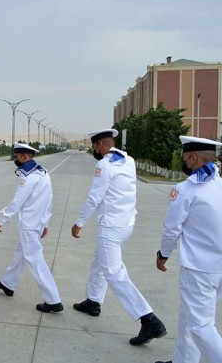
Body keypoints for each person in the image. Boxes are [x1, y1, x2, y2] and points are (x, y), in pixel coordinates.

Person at [71, 128, 166, 346]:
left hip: (111, 226)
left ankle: (148, 319)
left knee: (113, 272)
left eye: (95, 147)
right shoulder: (128, 160)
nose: (95, 150)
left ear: (100, 146)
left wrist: (79, 223)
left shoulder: (103, 165)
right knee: (100, 261)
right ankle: (93, 301)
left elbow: (95, 197)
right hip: (126, 224)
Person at [155, 136, 222, 363]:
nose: (183, 162)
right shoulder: (219, 185)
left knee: (200, 325)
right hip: (218, 269)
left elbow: (171, 229)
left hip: (199, 269)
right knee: (190, 317)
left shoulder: (186, 189)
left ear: (193, 159)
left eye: (184, 158)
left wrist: (163, 254)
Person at [0, 143, 63, 313]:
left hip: (29, 225)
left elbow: (18, 201)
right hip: (37, 224)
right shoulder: (43, 173)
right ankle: (8, 283)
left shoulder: (27, 176)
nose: (15, 159)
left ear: (24, 156)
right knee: (21, 253)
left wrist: (3, 219)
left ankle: (53, 300)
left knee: (35, 260)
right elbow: (49, 199)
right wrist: (45, 223)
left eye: (17, 156)